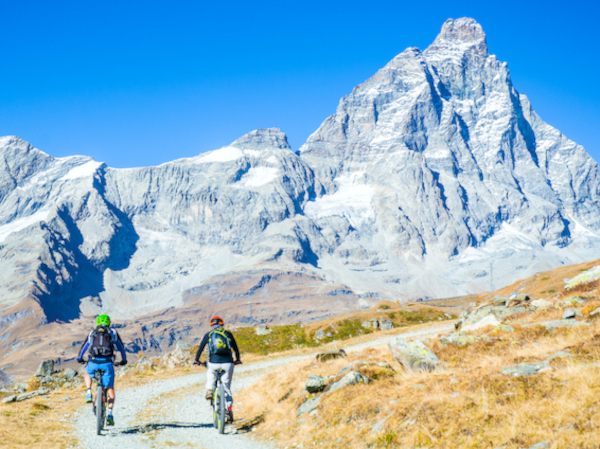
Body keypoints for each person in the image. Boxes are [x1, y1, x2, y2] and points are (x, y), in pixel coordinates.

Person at [77, 314, 127, 426]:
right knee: (110, 388)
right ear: (109, 323)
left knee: (87, 374)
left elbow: (84, 347)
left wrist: (80, 358)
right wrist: (124, 360)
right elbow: (121, 349)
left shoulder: (92, 333)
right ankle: (110, 414)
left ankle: (89, 392)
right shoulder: (112, 333)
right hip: (107, 363)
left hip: (93, 362)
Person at [194, 316, 241, 422]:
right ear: (222, 324)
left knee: (210, 372)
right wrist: (237, 360)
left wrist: (196, 360)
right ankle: (229, 411)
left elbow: (200, 349)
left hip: (213, 362)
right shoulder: (228, 334)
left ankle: (210, 389)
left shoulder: (209, 335)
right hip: (228, 363)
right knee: (226, 388)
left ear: (212, 325)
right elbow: (236, 349)